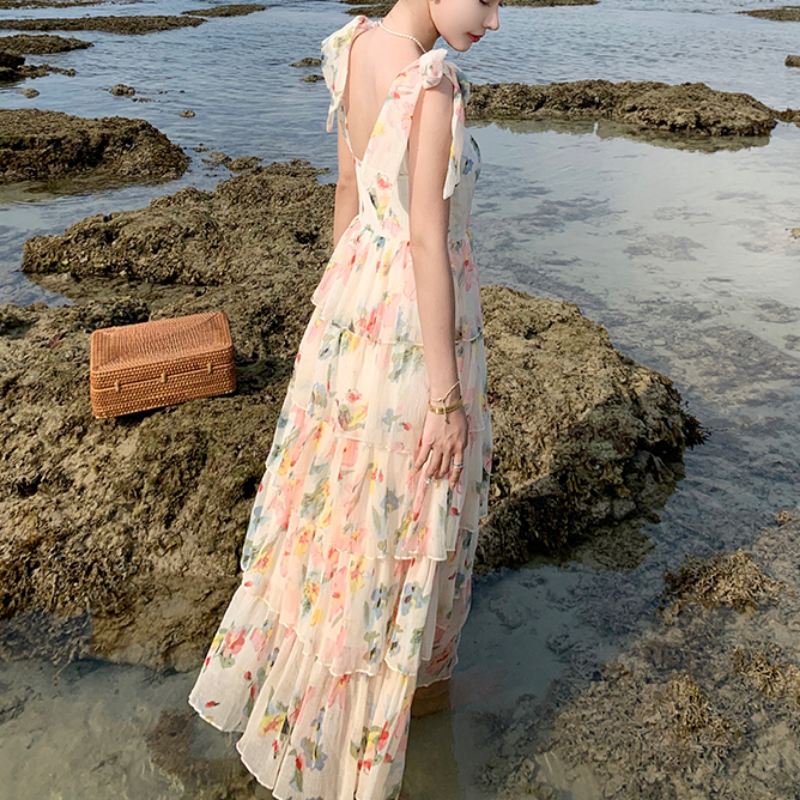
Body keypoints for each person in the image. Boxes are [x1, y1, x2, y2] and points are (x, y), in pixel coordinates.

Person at [188, 0, 499, 797]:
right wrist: (445, 398)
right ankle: (396, 720)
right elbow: (426, 238)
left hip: (355, 306)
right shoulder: (433, 83)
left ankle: (368, 707)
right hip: (414, 327)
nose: (495, 20)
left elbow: (349, 198)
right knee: (414, 515)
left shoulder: (352, 47)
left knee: (343, 518)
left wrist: (337, 329)